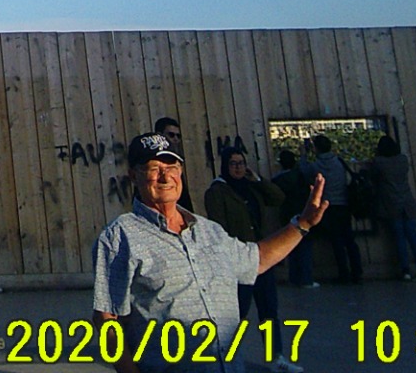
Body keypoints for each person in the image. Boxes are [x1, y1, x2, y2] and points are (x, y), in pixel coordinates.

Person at [94, 133, 326, 368]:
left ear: (181, 171)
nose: (165, 177)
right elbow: (107, 321)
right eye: (153, 168)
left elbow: (256, 260)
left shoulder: (209, 231)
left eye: (171, 166)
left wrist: (302, 225)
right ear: (134, 175)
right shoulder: (119, 238)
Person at [203, 150, 299, 372]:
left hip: (260, 256)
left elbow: (278, 198)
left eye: (241, 163)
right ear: (225, 166)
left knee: (268, 309)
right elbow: (218, 226)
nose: (237, 168)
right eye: (233, 164)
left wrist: (257, 179)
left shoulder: (251, 187)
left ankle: (276, 357)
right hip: (237, 261)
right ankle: (228, 355)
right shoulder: (217, 192)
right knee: (237, 313)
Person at [366, 136, 416, 280]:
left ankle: (405, 270)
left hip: (391, 203)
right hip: (407, 202)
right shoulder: (403, 160)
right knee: (413, 235)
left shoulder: (379, 163)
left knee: (399, 238)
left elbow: (373, 177)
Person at [309, 136, 363, 284]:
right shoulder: (339, 163)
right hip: (343, 204)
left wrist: (302, 154)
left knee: (336, 241)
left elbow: (304, 170)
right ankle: (357, 271)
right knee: (349, 240)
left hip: (327, 206)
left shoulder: (315, 166)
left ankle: (343, 273)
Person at [269, 152, 318, 289]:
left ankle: (294, 277)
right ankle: (306, 279)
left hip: (286, 214)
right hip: (302, 213)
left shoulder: (278, 180)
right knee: (305, 247)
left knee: (290, 247)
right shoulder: (301, 176)